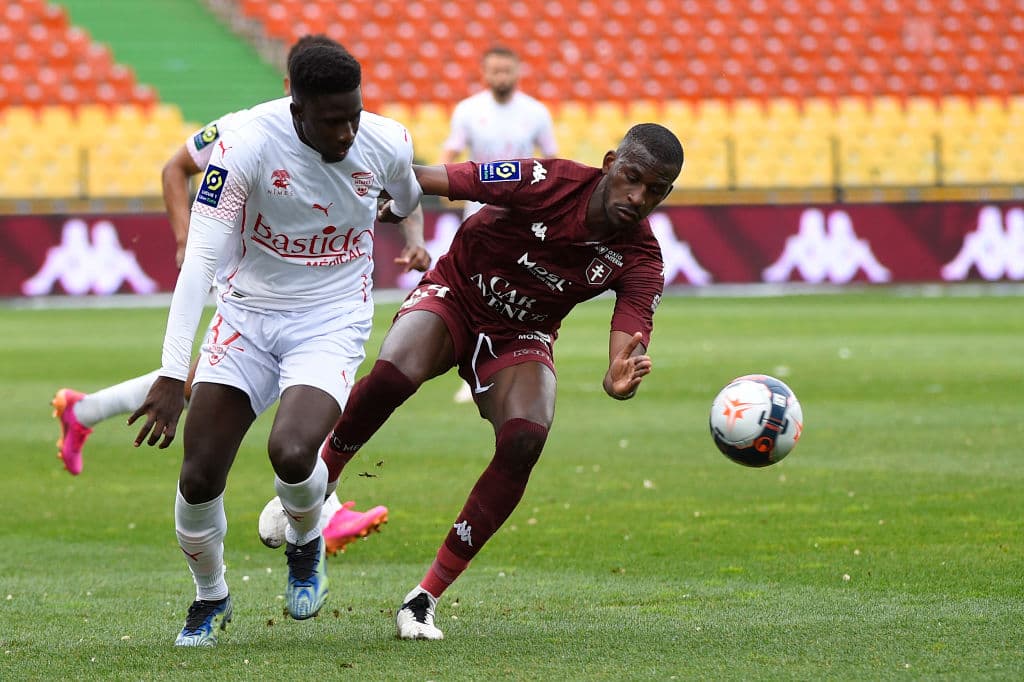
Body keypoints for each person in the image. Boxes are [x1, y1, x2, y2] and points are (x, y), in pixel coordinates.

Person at [312, 123, 684, 640]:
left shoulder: (641, 257)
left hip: (521, 334)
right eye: (633, 178)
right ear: (609, 163)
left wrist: (621, 376)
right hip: (457, 293)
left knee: (526, 436)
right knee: (397, 371)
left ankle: (423, 600)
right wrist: (372, 186)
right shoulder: (544, 179)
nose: (639, 197)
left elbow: (627, 343)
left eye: (656, 191)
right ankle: (319, 485)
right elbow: (438, 178)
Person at [49, 35, 407, 553]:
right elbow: (175, 167)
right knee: (200, 388)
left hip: (304, 295)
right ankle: (319, 513)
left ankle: (81, 412)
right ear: (293, 94)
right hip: (247, 284)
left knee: (208, 387)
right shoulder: (238, 131)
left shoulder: (359, 141)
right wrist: (183, 234)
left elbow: (402, 186)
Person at [129, 37, 427, 646]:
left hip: (331, 317)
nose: (345, 132)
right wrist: (169, 371)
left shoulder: (387, 139)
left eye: (353, 115)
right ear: (296, 105)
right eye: (330, 120)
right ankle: (210, 598)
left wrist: (395, 216)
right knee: (198, 473)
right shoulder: (242, 146)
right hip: (245, 318)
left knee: (292, 452)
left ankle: (304, 540)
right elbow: (199, 264)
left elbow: (406, 197)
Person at [440, 44, 558, 402]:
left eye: (506, 70)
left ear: (518, 70)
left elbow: (552, 159)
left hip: (521, 219)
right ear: (484, 71)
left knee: (517, 294)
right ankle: (470, 369)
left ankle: (519, 365)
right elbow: (451, 152)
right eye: (494, 71)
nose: (501, 77)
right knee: (474, 292)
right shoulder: (468, 110)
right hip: (478, 216)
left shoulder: (535, 112)